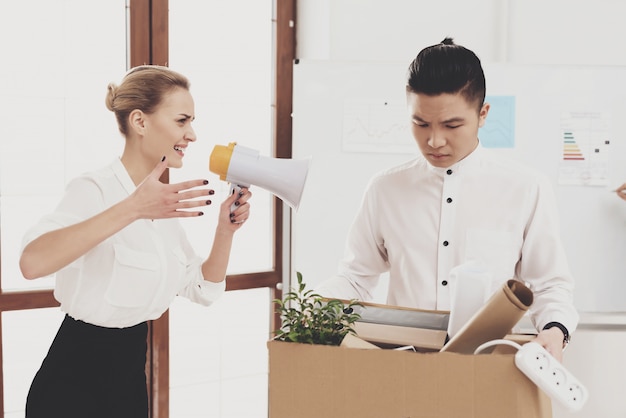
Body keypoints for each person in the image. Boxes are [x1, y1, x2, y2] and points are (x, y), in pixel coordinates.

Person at [315, 38, 578, 361]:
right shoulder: (385, 189)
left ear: (483, 114)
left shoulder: (526, 188)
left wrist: (555, 330)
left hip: (488, 371)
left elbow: (550, 285)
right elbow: (356, 279)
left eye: (451, 125)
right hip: (402, 369)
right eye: (420, 123)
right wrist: (313, 305)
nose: (434, 140)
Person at [19, 65, 252, 418]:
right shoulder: (93, 189)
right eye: (182, 121)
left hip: (129, 381)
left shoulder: (161, 203)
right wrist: (132, 208)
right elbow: (32, 263)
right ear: (140, 122)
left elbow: (203, 288)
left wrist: (225, 230)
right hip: (72, 384)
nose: (192, 135)